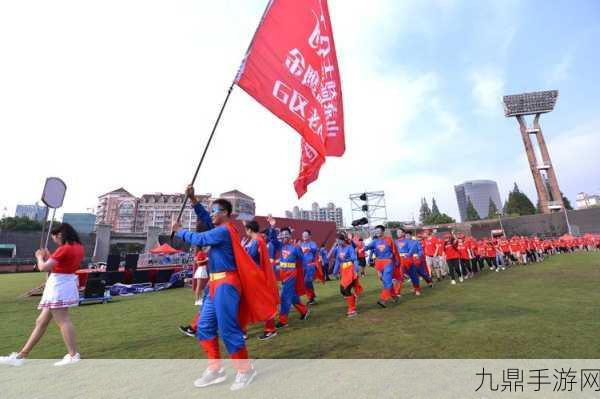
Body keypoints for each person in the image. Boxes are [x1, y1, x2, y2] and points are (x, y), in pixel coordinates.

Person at [172, 186, 277, 391]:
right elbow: (206, 217)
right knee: (204, 327)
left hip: (227, 284)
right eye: (211, 210)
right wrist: (193, 200)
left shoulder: (224, 230)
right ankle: (215, 369)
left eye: (215, 210)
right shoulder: (219, 228)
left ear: (226, 214)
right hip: (214, 284)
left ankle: (245, 370)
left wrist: (179, 231)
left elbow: (200, 239)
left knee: (229, 329)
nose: (211, 213)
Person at [1, 223, 84, 367]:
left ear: (59, 235)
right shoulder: (78, 247)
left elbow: (43, 267)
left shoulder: (64, 249)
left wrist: (40, 257)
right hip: (65, 282)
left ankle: (73, 355)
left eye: (55, 238)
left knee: (63, 320)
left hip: (58, 286)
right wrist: (50, 255)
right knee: (41, 321)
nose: (55, 241)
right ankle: (22, 355)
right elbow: (62, 263)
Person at [267, 222, 310, 328]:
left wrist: (305, 274)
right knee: (292, 296)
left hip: (291, 274)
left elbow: (303, 261)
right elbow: (272, 239)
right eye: (282, 234)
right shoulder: (280, 245)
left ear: (290, 235)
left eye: (287, 234)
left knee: (285, 296)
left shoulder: (295, 247)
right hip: (283, 274)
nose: (284, 236)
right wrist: (272, 226)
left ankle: (283, 321)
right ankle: (304, 311)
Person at [243, 219, 279, 341]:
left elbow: (250, 257)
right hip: (254, 276)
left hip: (256, 277)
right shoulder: (256, 240)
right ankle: (243, 331)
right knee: (249, 303)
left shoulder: (257, 241)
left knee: (259, 303)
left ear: (249, 230)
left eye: (246, 229)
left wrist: (242, 249)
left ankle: (270, 329)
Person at [364, 225, 400, 307]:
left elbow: (395, 251)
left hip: (388, 262)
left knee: (387, 280)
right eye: (376, 230)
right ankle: (394, 296)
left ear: (383, 231)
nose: (377, 232)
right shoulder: (375, 241)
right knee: (384, 281)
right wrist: (358, 248)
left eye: (379, 230)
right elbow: (366, 247)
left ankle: (383, 300)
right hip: (378, 264)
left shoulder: (389, 240)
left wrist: (397, 261)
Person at [179, 246, 209, 337]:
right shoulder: (202, 253)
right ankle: (193, 327)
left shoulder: (205, 252)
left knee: (206, 308)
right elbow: (198, 261)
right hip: (208, 274)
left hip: (218, 281)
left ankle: (194, 328)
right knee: (204, 307)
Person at [331, 232, 362, 317]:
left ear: (342, 240)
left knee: (346, 289)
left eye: (338, 241)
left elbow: (355, 259)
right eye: (336, 241)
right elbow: (337, 261)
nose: (337, 242)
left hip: (350, 270)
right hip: (343, 271)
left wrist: (356, 270)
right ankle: (353, 299)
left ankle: (352, 310)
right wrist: (334, 272)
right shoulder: (338, 249)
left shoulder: (350, 248)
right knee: (342, 290)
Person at [299, 230, 323, 305]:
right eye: (303, 235)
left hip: (310, 265)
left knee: (307, 281)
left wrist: (309, 249)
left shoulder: (312, 244)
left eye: (306, 235)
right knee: (304, 283)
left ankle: (312, 297)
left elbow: (315, 249)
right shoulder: (301, 244)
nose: (304, 236)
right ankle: (311, 297)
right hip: (303, 266)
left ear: (310, 236)